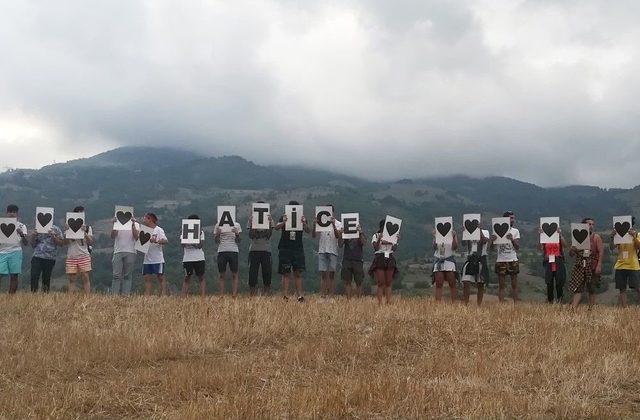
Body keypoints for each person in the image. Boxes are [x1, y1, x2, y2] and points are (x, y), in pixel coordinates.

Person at [275, 201, 310, 302]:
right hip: (285, 247)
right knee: (285, 272)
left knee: (298, 272)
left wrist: (303, 223)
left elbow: (308, 230)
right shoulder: (284, 217)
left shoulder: (302, 217)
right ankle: (285, 295)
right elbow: (276, 228)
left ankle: (300, 295)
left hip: (297, 247)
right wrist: (284, 222)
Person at [569, 217, 604, 308]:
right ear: (584, 225)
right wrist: (572, 249)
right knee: (578, 288)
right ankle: (573, 308)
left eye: (592, 224)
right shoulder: (577, 237)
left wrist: (599, 265)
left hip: (592, 265)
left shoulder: (596, 237)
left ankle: (591, 309)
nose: (591, 226)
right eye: (589, 224)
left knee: (591, 288)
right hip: (580, 265)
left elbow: (600, 252)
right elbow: (571, 254)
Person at [311, 204, 342, 298]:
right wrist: (314, 224)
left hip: (333, 250)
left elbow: (338, 236)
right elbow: (313, 235)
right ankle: (323, 294)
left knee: (332, 274)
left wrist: (333, 224)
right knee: (323, 274)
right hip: (322, 249)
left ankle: (332, 295)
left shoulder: (338, 223)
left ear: (332, 212)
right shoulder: (321, 222)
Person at [608, 216, 640, 307]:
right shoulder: (618, 235)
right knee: (622, 288)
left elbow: (639, 247)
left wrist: (634, 237)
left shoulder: (637, 234)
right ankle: (624, 308)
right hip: (620, 264)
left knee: (637, 287)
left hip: (633, 265)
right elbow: (611, 247)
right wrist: (612, 237)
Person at [490, 211, 521, 303]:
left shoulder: (515, 231)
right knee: (501, 285)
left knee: (514, 284)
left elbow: (517, 247)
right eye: (511, 218)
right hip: (501, 260)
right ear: (506, 219)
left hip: (512, 259)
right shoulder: (496, 230)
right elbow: (491, 249)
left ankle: (516, 306)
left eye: (513, 218)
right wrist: (492, 241)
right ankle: (501, 305)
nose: (513, 220)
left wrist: (512, 239)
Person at [369, 219, 399, 305]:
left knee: (389, 281)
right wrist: (379, 238)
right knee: (380, 282)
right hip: (380, 257)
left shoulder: (392, 236)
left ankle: (388, 301)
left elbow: (394, 249)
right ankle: (379, 302)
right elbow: (375, 248)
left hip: (389, 256)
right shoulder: (376, 235)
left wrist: (396, 241)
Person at [64, 206, 93, 294]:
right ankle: (70, 298)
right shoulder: (68, 227)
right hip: (71, 255)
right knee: (72, 278)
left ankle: (87, 297)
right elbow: (65, 242)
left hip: (83, 254)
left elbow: (90, 242)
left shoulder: (88, 228)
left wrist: (84, 233)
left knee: (85, 276)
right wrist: (67, 232)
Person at [0, 204, 28, 293]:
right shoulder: (1, 224)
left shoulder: (21, 226)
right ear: (7, 213)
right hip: (2, 252)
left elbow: (26, 243)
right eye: (10, 212)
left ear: (17, 214)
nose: (12, 214)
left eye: (14, 212)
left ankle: (11, 297)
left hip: (16, 251)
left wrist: (21, 234)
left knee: (14, 275)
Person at [29, 221, 64, 292]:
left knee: (46, 278)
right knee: (34, 276)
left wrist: (53, 236)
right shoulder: (37, 228)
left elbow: (61, 243)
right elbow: (33, 244)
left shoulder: (56, 229)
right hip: (37, 256)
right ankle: (33, 295)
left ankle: (45, 295)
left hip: (50, 257)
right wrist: (33, 236)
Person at [110, 214, 140, 295]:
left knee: (128, 275)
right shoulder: (117, 224)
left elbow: (136, 237)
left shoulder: (136, 224)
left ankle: (126, 295)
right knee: (116, 275)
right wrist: (115, 225)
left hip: (131, 251)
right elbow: (112, 235)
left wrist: (133, 225)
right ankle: (114, 295)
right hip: (118, 251)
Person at [247, 202, 273, 296]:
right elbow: (251, 235)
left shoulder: (269, 219)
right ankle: (252, 294)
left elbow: (269, 235)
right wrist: (252, 224)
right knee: (252, 272)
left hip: (266, 250)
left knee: (267, 272)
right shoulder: (251, 219)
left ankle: (266, 293)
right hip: (254, 249)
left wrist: (270, 223)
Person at [460, 226, 490, 305]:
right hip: (470, 258)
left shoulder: (485, 231)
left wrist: (479, 230)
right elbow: (463, 244)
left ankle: (479, 305)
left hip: (481, 258)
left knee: (480, 284)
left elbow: (485, 241)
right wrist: (464, 233)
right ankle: (466, 304)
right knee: (466, 282)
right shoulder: (469, 232)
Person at [538, 226, 566, 303]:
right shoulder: (545, 238)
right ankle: (550, 300)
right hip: (548, 261)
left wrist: (560, 234)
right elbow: (539, 248)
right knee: (549, 281)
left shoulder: (558, 237)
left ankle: (560, 299)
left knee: (559, 281)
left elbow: (565, 245)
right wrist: (541, 236)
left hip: (558, 260)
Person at [215, 217, 242, 297]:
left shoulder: (237, 225)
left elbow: (239, 241)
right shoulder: (218, 225)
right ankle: (221, 295)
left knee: (234, 274)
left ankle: (234, 294)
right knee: (222, 274)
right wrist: (217, 234)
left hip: (233, 250)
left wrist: (237, 234)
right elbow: (216, 241)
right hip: (222, 250)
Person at [142, 212, 168, 296]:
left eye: (145, 218)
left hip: (157, 258)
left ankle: (163, 295)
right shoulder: (144, 230)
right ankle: (147, 296)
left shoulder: (159, 229)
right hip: (147, 259)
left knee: (160, 277)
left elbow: (165, 241)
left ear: (150, 219)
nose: (143, 220)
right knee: (147, 278)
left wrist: (156, 241)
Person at [338, 223, 366, 299]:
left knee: (359, 282)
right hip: (347, 259)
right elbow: (340, 245)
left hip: (358, 260)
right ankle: (348, 300)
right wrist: (341, 234)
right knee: (347, 281)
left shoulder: (360, 234)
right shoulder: (346, 234)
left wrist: (360, 232)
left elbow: (364, 242)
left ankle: (359, 299)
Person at [181, 214, 206, 297]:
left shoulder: (201, 232)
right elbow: (183, 244)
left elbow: (200, 246)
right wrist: (186, 236)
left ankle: (202, 296)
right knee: (187, 277)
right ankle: (183, 296)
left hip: (199, 258)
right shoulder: (184, 231)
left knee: (201, 277)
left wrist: (196, 238)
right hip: (188, 258)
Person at [432, 227, 459, 302]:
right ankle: (438, 303)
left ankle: (454, 303)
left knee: (452, 283)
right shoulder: (437, 235)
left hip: (449, 260)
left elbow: (455, 247)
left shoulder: (452, 234)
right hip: (439, 259)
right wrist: (435, 237)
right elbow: (434, 247)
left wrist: (454, 237)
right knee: (439, 283)